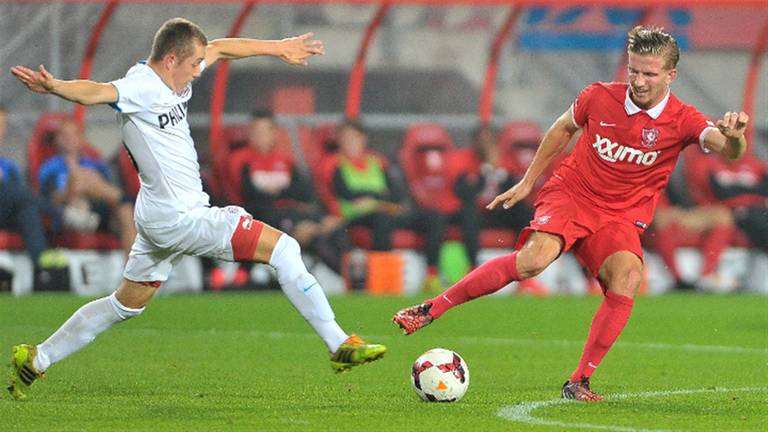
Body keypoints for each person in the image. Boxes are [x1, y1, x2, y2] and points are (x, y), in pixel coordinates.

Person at [9, 17, 385, 401]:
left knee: (125, 304)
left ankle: (37, 358)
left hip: (158, 216)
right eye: (192, 67)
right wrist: (55, 87)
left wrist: (279, 47)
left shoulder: (178, 71)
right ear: (171, 59)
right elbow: (96, 91)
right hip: (180, 217)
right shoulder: (141, 86)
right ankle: (340, 344)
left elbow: (221, 47)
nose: (196, 74)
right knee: (284, 249)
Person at [393, 26, 749, 401]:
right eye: (634, 71)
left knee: (627, 276)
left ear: (670, 76)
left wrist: (737, 136)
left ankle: (578, 382)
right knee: (533, 262)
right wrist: (529, 181)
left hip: (619, 216)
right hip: (573, 194)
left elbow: (726, 148)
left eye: (650, 74)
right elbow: (563, 128)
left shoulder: (683, 118)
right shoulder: (598, 96)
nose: (639, 81)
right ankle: (432, 307)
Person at [331, 118, 446, 292]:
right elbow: (345, 193)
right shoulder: (336, 164)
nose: (350, 143)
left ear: (363, 139)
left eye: (353, 138)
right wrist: (379, 196)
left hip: (385, 211)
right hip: (357, 218)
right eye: (345, 139)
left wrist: (372, 198)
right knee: (381, 220)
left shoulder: (376, 162)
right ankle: (382, 278)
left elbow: (396, 194)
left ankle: (431, 275)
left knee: (432, 216)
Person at [239, 109, 350, 274]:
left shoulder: (285, 160)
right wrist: (284, 193)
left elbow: (304, 192)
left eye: (265, 130)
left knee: (335, 227)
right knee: (315, 238)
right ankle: (350, 280)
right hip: (268, 218)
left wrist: (276, 191)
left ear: (274, 133)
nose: (260, 136)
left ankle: (357, 277)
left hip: (295, 212)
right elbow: (249, 196)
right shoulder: (241, 161)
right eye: (256, 131)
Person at [449, 124, 547, 295]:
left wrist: (498, 171)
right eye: (482, 141)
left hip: (499, 212)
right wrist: (485, 171)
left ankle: (526, 273)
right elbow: (464, 193)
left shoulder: (505, 162)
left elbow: (512, 190)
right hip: (478, 212)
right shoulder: (465, 161)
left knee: (524, 213)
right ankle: (472, 268)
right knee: (469, 214)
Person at [39, 118, 137, 254]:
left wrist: (91, 183)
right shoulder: (50, 168)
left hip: (99, 210)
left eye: (74, 135)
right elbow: (49, 200)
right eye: (64, 135)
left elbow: (111, 194)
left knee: (125, 210)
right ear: (57, 140)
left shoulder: (96, 165)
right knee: (77, 183)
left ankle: (131, 270)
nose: (69, 139)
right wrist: (71, 187)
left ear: (81, 138)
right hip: (69, 213)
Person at [0, 105, 60, 267]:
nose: (1, 131)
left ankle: (41, 265)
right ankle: (59, 212)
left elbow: (17, 196)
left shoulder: (8, 165)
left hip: (5, 215)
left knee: (27, 208)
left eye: (3, 125)